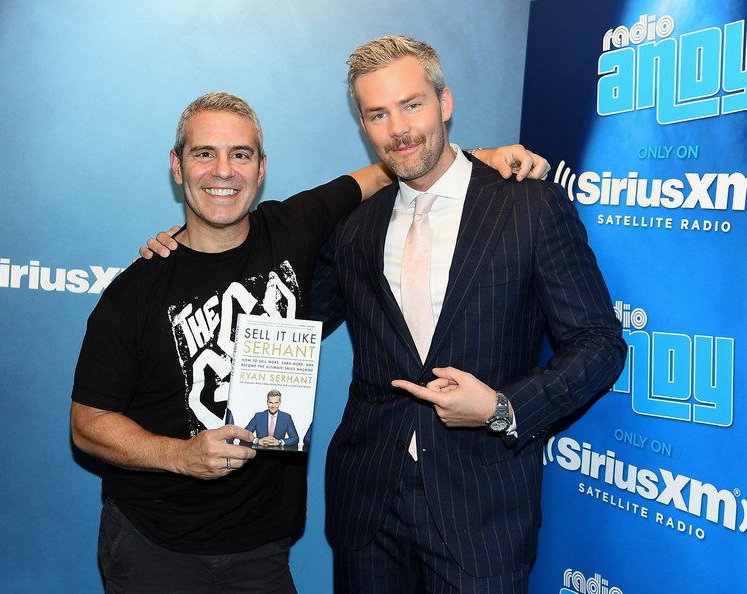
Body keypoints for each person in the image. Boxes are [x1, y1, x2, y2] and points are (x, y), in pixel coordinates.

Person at [75, 91, 547, 593]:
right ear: (177, 166)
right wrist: (180, 456)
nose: (223, 171)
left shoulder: (294, 226)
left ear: (261, 168)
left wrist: (478, 157)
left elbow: (393, 165)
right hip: (154, 544)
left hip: (262, 548)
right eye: (203, 154)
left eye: (240, 154)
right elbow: (88, 425)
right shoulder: (137, 289)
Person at [307, 36, 627, 593]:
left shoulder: (529, 205)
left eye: (412, 105)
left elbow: (599, 342)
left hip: (483, 508)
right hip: (368, 503)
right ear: (364, 124)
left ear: (445, 101)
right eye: (379, 115)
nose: (399, 129)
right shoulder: (354, 228)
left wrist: (503, 408)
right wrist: (195, 244)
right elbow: (292, 317)